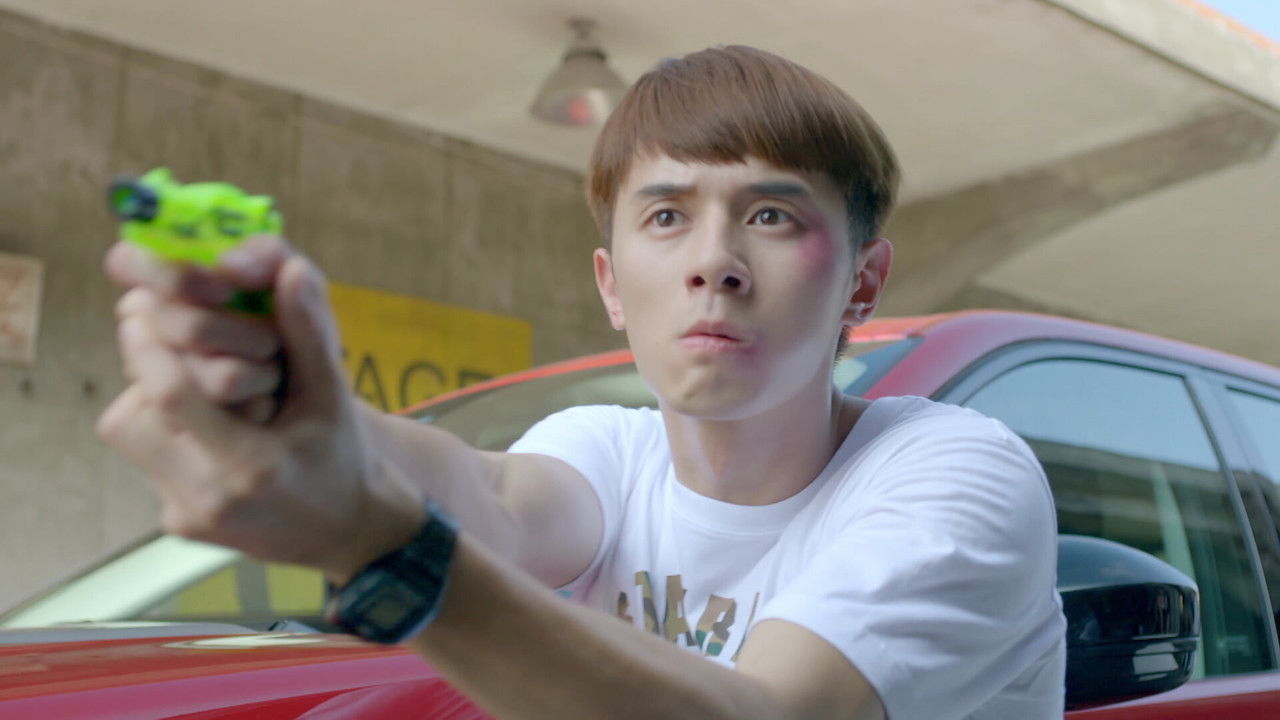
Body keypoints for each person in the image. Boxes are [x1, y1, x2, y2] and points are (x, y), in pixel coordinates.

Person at [100, 45, 1066, 720]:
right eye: (666, 216)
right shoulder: (606, 449)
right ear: (610, 285)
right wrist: (286, 399)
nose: (714, 262)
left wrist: (386, 548)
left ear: (863, 281)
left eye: (771, 215)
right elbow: (485, 494)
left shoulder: (954, 472)